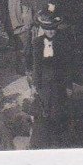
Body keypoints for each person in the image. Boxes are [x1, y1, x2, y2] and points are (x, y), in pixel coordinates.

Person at [29, 10, 73, 149]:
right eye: (47, 29)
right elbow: (36, 65)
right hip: (43, 84)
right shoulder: (37, 42)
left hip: (59, 83)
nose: (51, 32)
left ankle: (58, 141)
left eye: (53, 29)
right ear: (43, 29)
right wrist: (35, 85)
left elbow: (67, 65)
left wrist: (68, 85)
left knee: (58, 111)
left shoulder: (62, 42)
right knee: (43, 111)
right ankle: (43, 141)